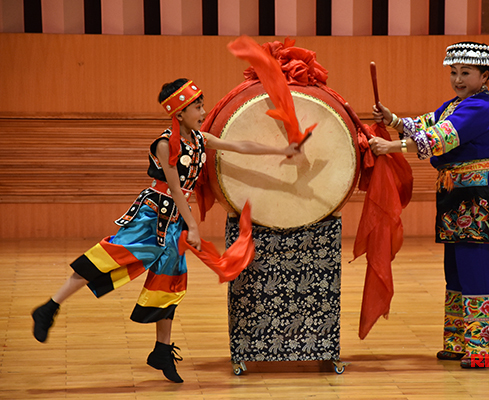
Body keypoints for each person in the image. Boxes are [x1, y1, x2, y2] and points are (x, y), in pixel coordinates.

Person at [31, 78, 300, 383]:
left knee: (169, 282)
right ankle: (49, 307)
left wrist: (281, 149)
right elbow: (173, 187)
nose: (202, 110)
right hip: (151, 216)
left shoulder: (199, 140)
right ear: (180, 112)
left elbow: (238, 145)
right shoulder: (164, 144)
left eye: (201, 105)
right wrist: (194, 227)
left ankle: (161, 349)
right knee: (108, 257)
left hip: (174, 223)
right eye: (197, 106)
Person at [370, 42, 489, 368]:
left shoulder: (480, 108)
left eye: (466, 73)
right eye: (454, 72)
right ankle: (459, 341)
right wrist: (393, 119)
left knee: (479, 268)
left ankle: (487, 350)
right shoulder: (457, 104)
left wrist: (390, 145)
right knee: (457, 270)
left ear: (484, 76)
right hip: (456, 193)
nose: (458, 79)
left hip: (478, 195)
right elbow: (426, 123)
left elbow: (438, 138)